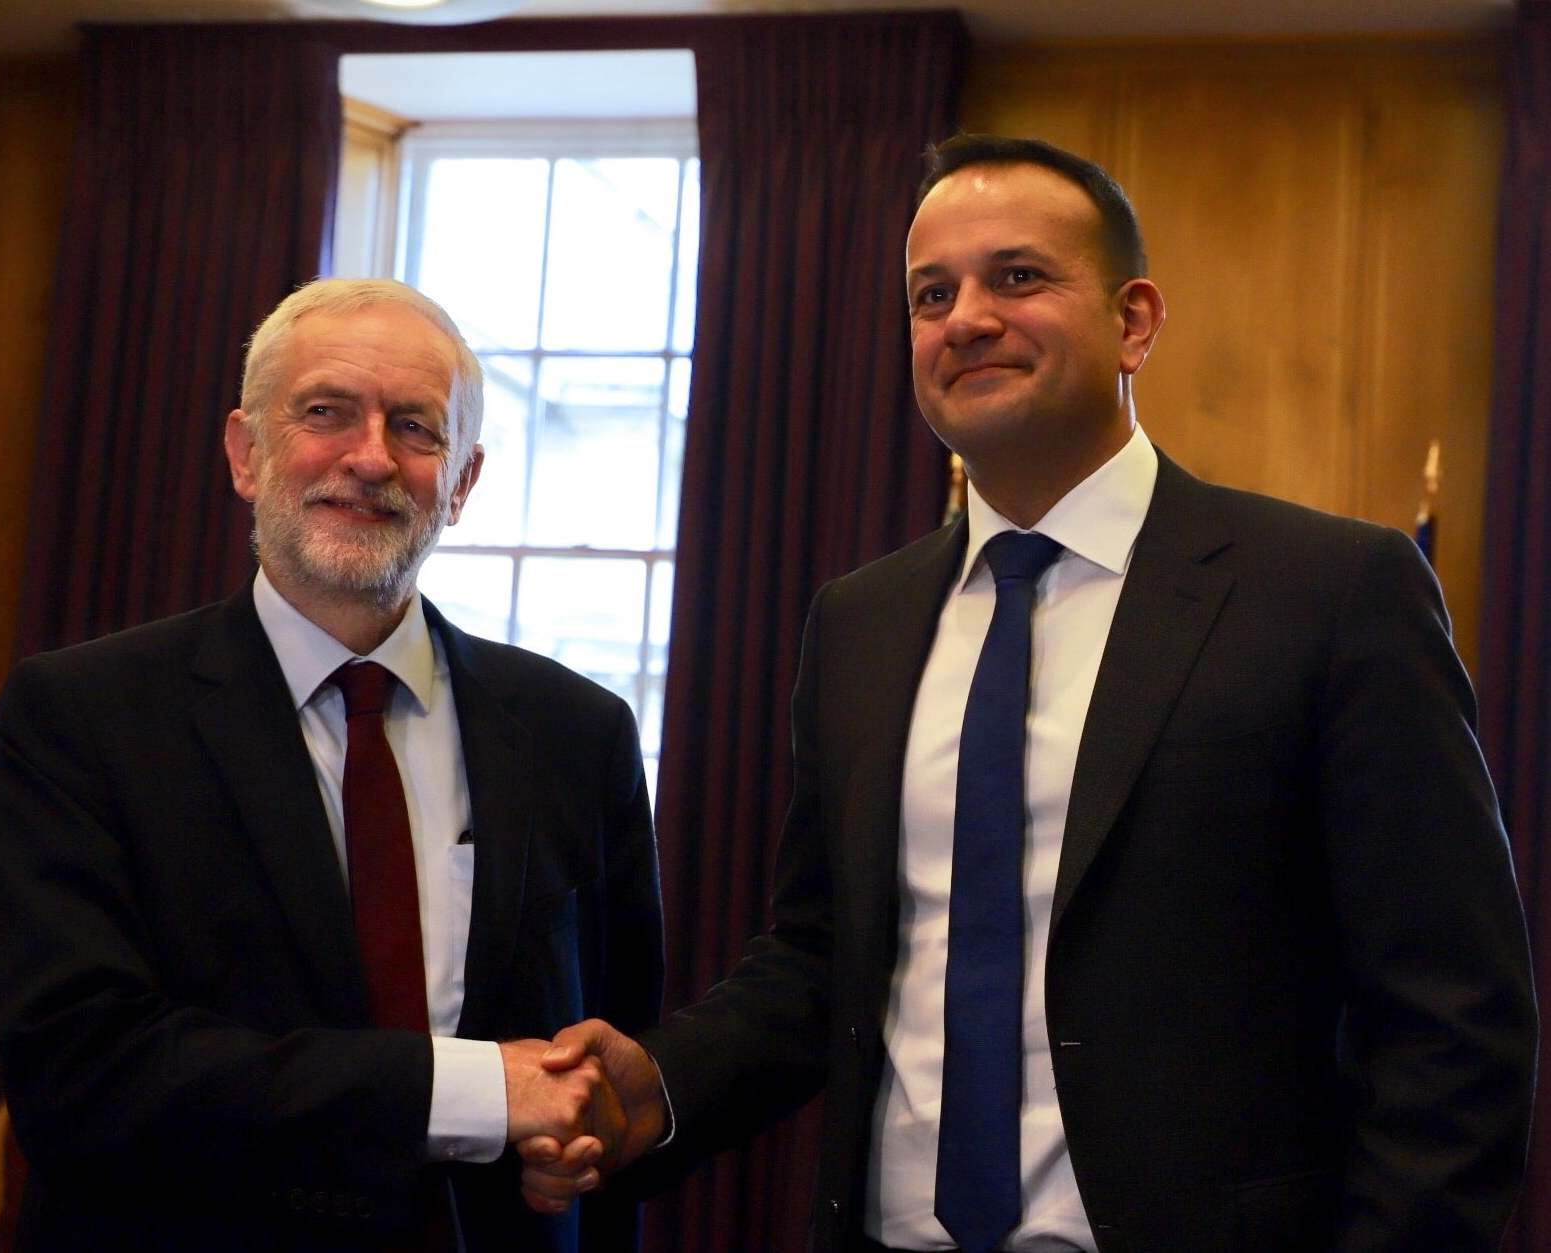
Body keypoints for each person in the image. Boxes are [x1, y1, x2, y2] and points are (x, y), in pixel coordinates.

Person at [518, 136, 1537, 1251]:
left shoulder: (1333, 590)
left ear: (1135, 321)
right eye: (930, 293)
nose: (965, 318)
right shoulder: (859, 622)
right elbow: (823, 957)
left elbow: (1453, 1015)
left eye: (1017, 277)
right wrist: (661, 1084)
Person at [0, 278, 662, 1251]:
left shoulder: (576, 734)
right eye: (326, 411)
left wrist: (583, 1137)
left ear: (462, 481)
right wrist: (472, 1090)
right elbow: (80, 1074)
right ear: (245, 452)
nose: (371, 457)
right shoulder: (84, 719)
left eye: (417, 428)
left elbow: (606, 1063)